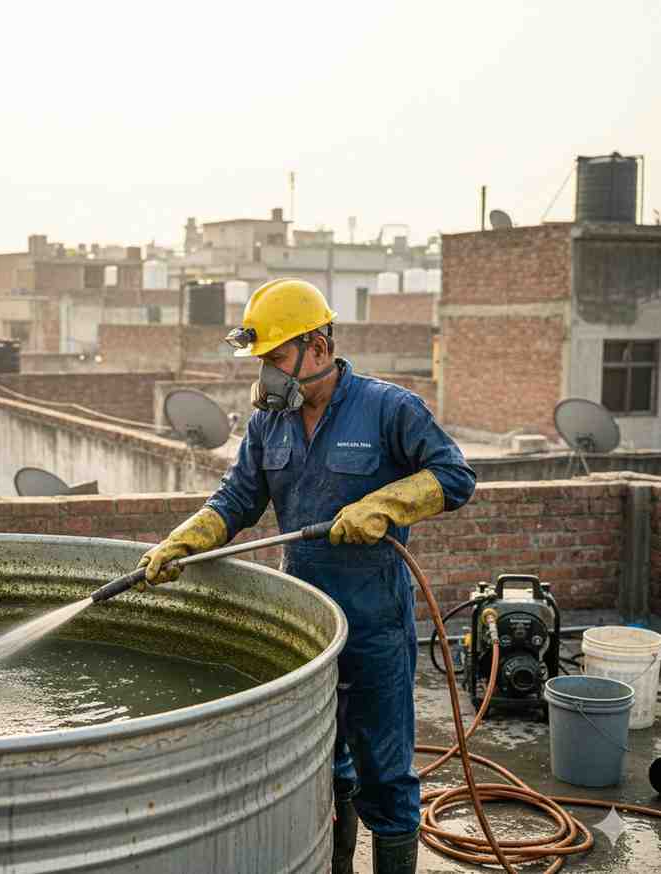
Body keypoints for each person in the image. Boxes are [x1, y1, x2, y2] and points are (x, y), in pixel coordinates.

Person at [139, 278, 476, 874]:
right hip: (309, 626)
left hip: (375, 623)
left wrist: (385, 505)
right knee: (327, 763)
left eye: (274, 358)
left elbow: (455, 477)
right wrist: (185, 538)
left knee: (388, 776)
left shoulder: (389, 408)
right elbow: (238, 497)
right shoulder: (270, 423)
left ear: (316, 348)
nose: (267, 374)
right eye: (262, 361)